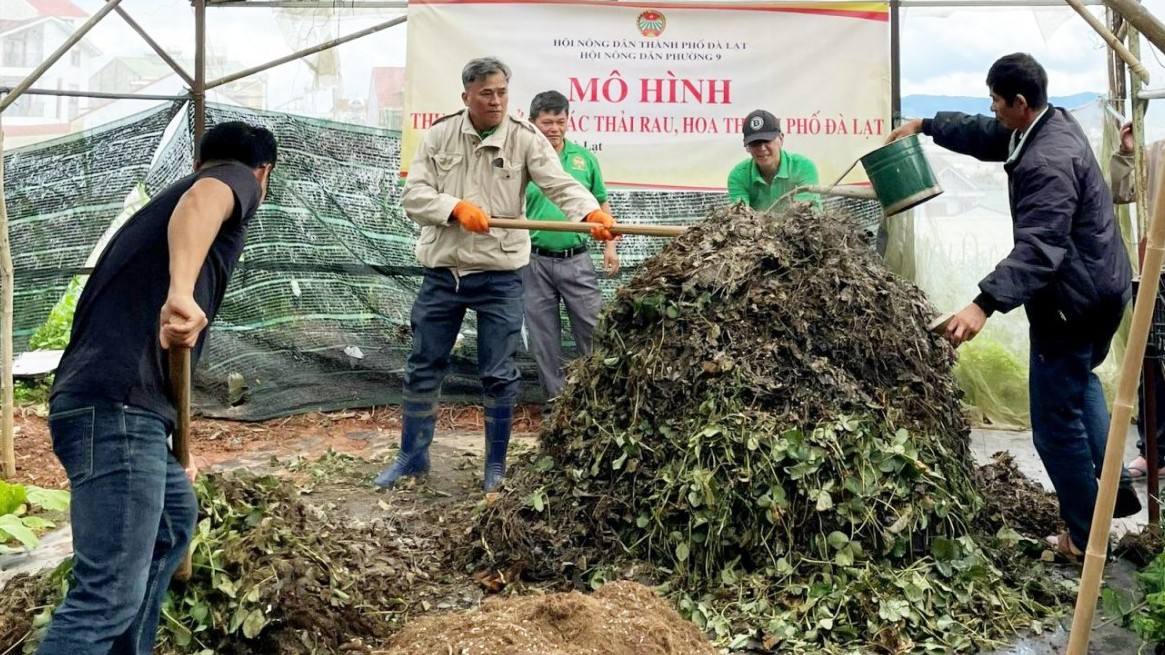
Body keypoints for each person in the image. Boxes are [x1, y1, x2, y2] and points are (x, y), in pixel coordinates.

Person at [885, 53, 1140, 559]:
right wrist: (926, 124)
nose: (993, 108)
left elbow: (1040, 248)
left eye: (997, 100)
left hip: (1072, 300)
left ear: (1020, 102)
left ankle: (1085, 541)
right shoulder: (1048, 125)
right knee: (1079, 382)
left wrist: (983, 304)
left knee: (1053, 426)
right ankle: (1115, 488)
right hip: (1101, 286)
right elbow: (988, 134)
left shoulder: (1048, 162)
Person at [39, 121, 278, 654]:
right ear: (263, 175)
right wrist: (181, 292)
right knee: (106, 596)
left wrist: (168, 446)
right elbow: (206, 199)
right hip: (117, 411)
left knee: (172, 523)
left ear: (196, 160)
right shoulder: (229, 182)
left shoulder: (157, 214)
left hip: (121, 409)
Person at [373, 57, 617, 492]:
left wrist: (589, 213)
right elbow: (415, 195)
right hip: (444, 271)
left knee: (499, 373)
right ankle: (411, 457)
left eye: (502, 91)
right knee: (424, 365)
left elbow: (558, 183)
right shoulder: (440, 134)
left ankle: (495, 468)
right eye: (486, 93)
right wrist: (453, 208)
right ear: (466, 95)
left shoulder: (524, 139)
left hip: (500, 275)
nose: (496, 100)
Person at [522, 90, 619, 407]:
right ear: (533, 122)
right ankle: (557, 406)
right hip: (533, 261)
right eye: (546, 122)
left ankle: (595, 403)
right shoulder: (523, 160)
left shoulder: (584, 159)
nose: (553, 128)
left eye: (559, 121)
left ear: (568, 121)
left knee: (592, 330)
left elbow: (600, 202)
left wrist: (610, 247)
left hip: (576, 260)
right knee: (543, 339)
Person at [1111, 122, 1165, 480]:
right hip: (1158, 272)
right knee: (1152, 363)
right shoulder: (1157, 151)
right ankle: (1155, 453)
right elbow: (1124, 192)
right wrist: (1128, 152)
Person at [726, 109, 821, 212]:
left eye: (767, 140)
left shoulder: (803, 168)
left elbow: (805, 214)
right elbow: (740, 216)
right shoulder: (738, 176)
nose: (762, 148)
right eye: (755, 143)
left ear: (781, 139)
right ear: (747, 147)